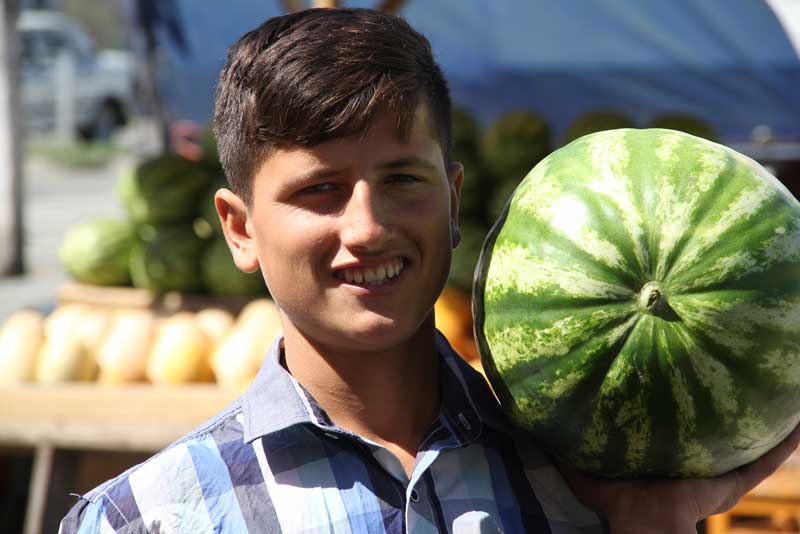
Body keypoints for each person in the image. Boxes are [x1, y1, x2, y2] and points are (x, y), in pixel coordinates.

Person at [60, 8, 800, 534]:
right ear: (240, 228)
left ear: (454, 200)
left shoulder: (592, 490)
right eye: (320, 190)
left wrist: (655, 524)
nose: (368, 227)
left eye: (403, 181)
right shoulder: (146, 518)